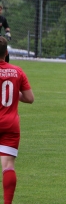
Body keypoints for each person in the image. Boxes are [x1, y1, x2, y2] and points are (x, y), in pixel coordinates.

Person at [0, 36, 34, 203]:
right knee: (8, 166)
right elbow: (29, 98)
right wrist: (14, 94)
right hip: (11, 124)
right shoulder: (17, 71)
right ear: (6, 53)